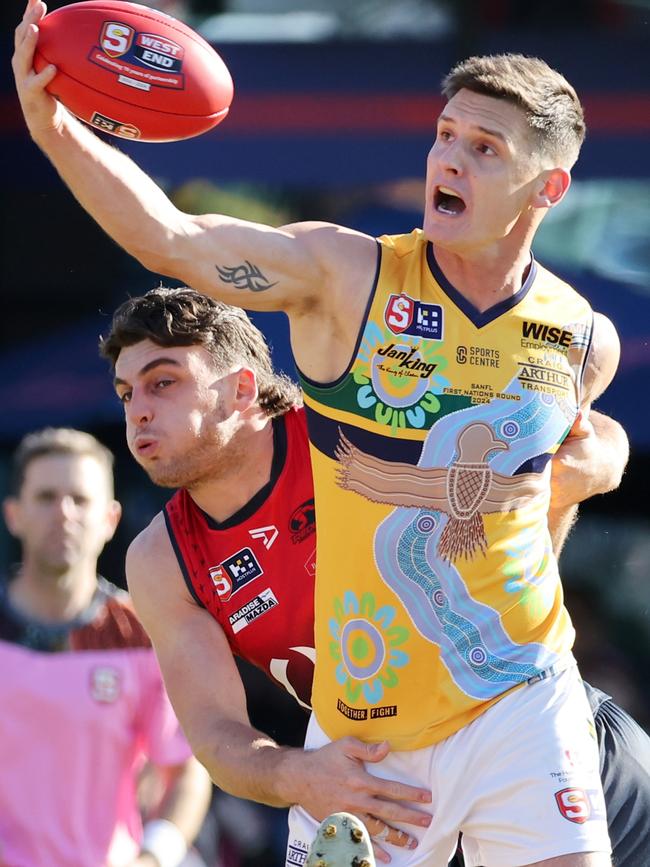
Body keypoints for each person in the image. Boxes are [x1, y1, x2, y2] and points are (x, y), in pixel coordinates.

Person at [12, 11, 623, 859]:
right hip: (367, 740)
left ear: (546, 187)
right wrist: (57, 129)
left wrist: (600, 462)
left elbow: (566, 467)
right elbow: (173, 240)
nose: (448, 159)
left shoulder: (584, 336)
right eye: (446, 136)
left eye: (485, 148)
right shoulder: (349, 277)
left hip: (521, 695)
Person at [98, 288, 646, 867]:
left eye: (163, 382)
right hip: (380, 786)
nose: (138, 409)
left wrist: (597, 462)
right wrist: (299, 775)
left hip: (532, 735)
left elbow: (570, 421)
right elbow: (214, 735)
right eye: (126, 392)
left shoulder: (350, 428)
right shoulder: (162, 557)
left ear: (241, 388)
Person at [0, 427, 212, 867]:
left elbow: (186, 771)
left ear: (110, 519)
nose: (63, 512)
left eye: (80, 499)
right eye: (45, 497)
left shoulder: (141, 632)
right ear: (13, 514)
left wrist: (154, 857)